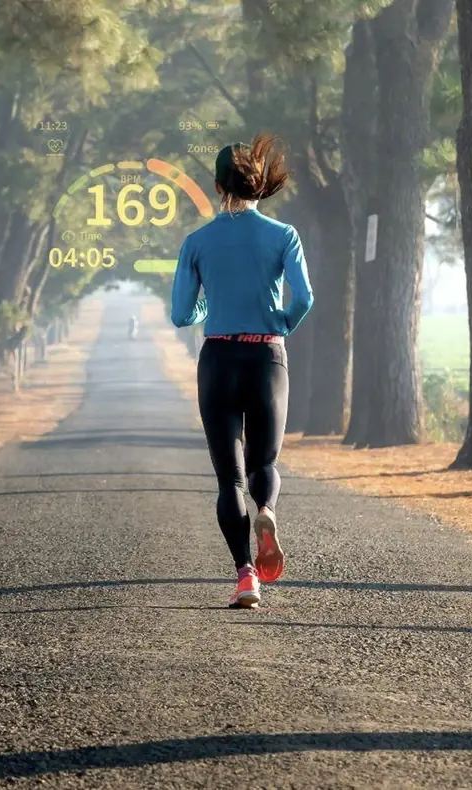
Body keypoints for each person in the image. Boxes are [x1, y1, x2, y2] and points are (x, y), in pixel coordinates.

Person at [169, 133, 314, 609]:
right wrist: (280, 324)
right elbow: (305, 299)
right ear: (257, 183)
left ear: (216, 186)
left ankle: (245, 577)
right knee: (264, 465)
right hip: (267, 356)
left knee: (228, 479)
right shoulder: (283, 235)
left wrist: (214, 297)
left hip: (218, 359)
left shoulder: (197, 241)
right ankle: (267, 511)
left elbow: (181, 314)